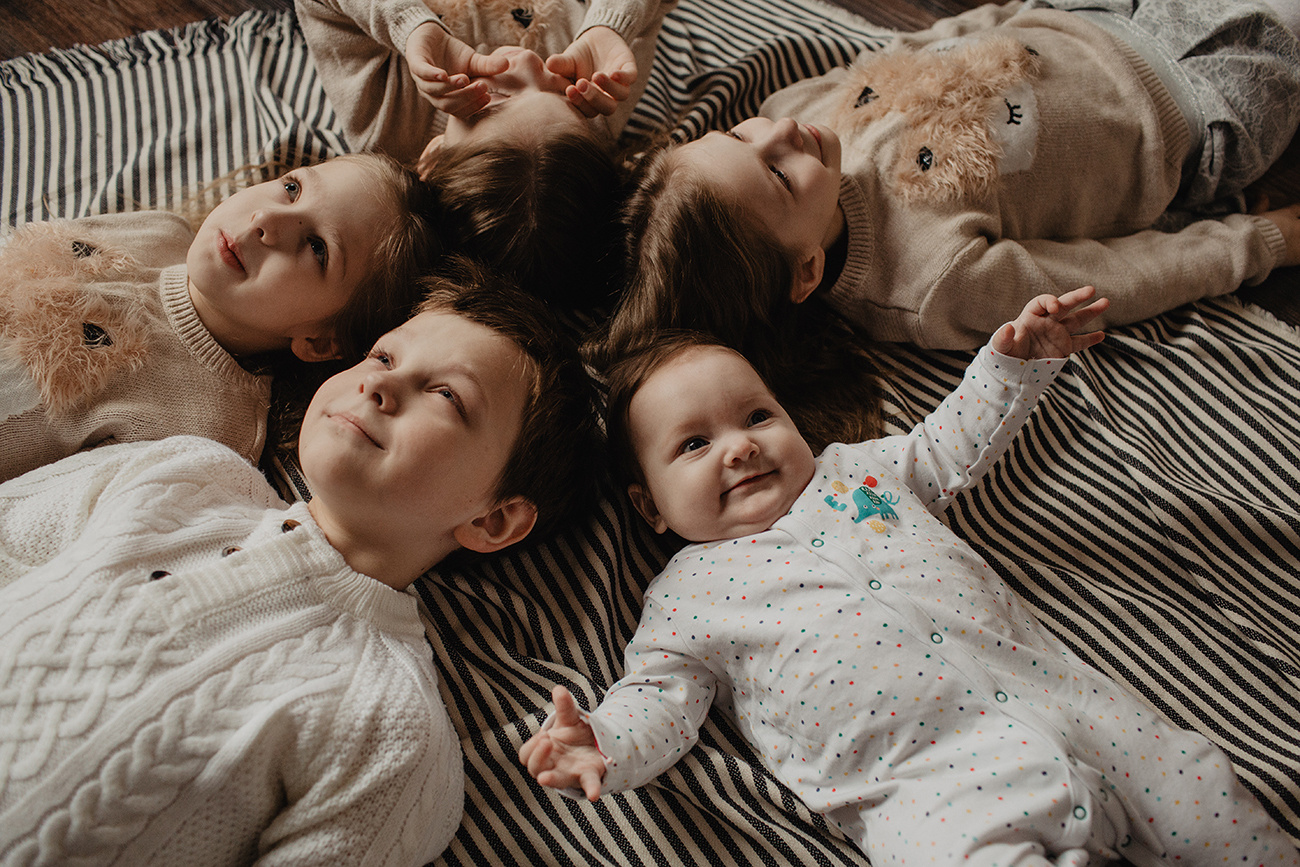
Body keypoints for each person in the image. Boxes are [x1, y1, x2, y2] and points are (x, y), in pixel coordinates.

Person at [520, 286, 1300, 865]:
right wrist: (604, 741)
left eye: (757, 415)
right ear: (648, 505)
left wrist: (1012, 363)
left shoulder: (857, 472)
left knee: (1205, 793)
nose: (741, 446)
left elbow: (947, 443)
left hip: (1073, 707)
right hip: (932, 792)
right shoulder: (685, 597)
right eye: (694, 444)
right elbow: (658, 699)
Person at [0, 262, 602, 866]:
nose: (380, 384)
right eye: (383, 356)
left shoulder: (390, 723)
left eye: (446, 395)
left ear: (493, 520)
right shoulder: (182, 475)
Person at [609, 0, 1300, 357]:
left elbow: (927, 47)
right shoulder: (931, 281)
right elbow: (1109, 280)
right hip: (1199, 99)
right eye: (777, 175)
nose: (779, 132)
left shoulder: (797, 111)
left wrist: (1025, 13)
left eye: (738, 134)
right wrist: (1259, 242)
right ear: (806, 270)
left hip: (1084, 16)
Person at [0, 152, 442, 483]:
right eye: (292, 188)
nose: (266, 218)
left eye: (317, 247)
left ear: (322, 341)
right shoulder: (160, 231)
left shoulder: (209, 431)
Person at [296, 0, 671, 306]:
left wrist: (409, 25)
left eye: (495, 98)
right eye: (561, 94)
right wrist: (611, 25)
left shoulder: (390, 119)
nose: (527, 61)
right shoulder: (599, 92)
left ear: (432, 159)